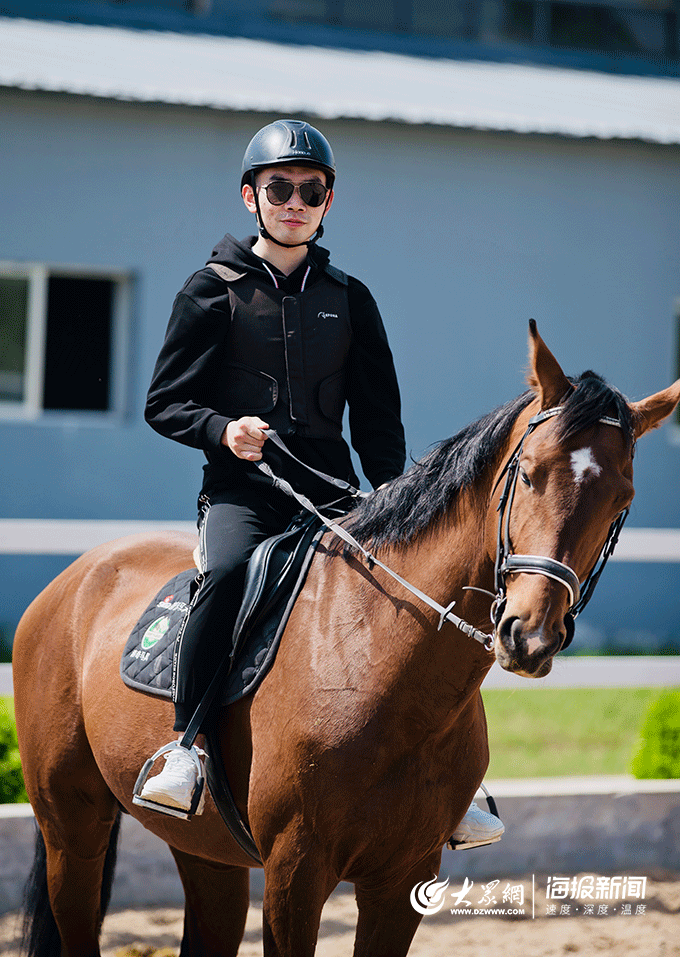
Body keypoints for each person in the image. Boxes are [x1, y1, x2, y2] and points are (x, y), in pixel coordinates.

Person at [137, 118, 503, 849]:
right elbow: (164, 402)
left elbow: (379, 417)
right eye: (280, 188)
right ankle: (188, 746)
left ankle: (458, 777)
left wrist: (400, 504)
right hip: (244, 490)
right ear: (251, 197)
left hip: (335, 493)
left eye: (311, 190)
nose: (295, 201)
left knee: (417, 597)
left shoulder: (350, 297)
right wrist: (222, 430)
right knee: (230, 574)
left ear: (328, 200)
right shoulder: (211, 291)